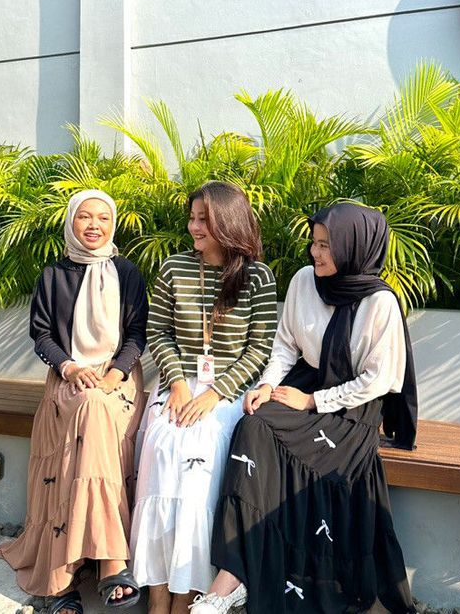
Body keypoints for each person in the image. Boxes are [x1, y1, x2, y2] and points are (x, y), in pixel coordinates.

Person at [192, 202, 418, 614]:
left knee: (308, 455)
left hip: (352, 404)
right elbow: (285, 345)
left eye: (326, 245)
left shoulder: (379, 303)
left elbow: (380, 379)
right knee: (254, 424)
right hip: (306, 382)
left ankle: (286, 576)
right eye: (314, 243)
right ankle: (233, 575)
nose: (315, 253)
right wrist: (266, 385)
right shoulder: (303, 280)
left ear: (353, 247)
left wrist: (314, 401)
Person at [0, 189, 148, 614]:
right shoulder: (53, 274)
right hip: (68, 378)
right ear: (71, 223)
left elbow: (138, 334)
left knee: (96, 408)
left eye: (103, 217)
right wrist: (71, 368)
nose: (94, 225)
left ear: (113, 224)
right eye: (85, 217)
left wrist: (114, 374)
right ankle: (112, 562)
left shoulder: (128, 273)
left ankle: (64, 576)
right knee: (90, 408)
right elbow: (41, 335)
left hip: (118, 379)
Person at [131, 181, 278, 614]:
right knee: (161, 447)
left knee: (201, 456)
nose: (194, 227)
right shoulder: (174, 268)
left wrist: (215, 394)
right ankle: (159, 592)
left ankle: (188, 593)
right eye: (193, 218)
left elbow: (259, 349)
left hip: (228, 389)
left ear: (227, 224)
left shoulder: (258, 277)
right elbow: (158, 331)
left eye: (204, 220)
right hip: (178, 382)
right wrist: (178, 383)